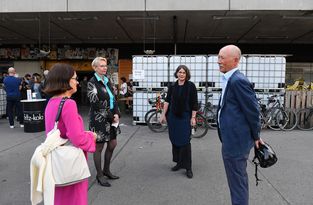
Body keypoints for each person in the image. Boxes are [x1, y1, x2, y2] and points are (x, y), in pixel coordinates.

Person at [43, 63, 97, 205]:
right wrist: (91, 137)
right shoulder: (68, 104)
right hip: (70, 162)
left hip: (56, 160)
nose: (77, 82)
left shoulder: (51, 102)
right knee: (74, 199)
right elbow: (77, 138)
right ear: (65, 80)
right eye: (75, 78)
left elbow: (56, 131)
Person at [216, 45, 263, 205]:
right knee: (236, 181)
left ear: (235, 60)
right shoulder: (230, 79)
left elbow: (253, 111)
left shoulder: (238, 81)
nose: (218, 61)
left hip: (236, 142)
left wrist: (256, 136)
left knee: (237, 183)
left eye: (222, 57)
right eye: (218, 57)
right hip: (232, 140)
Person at [160, 65, 198, 179]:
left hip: (185, 117)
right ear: (176, 73)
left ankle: (188, 167)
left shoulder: (191, 86)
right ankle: (179, 163)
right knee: (175, 140)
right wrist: (163, 115)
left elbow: (194, 102)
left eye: (183, 72)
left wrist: (193, 117)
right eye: (179, 72)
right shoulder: (172, 86)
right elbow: (167, 101)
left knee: (185, 142)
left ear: (187, 74)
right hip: (173, 117)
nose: (181, 74)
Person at [87, 57, 121, 187]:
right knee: (99, 147)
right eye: (101, 66)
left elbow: (114, 99)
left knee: (112, 144)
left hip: (112, 118)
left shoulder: (107, 81)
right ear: (95, 68)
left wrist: (117, 113)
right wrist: (111, 116)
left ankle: (107, 170)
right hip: (99, 119)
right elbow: (95, 104)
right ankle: (100, 174)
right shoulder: (92, 82)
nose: (104, 68)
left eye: (105, 65)